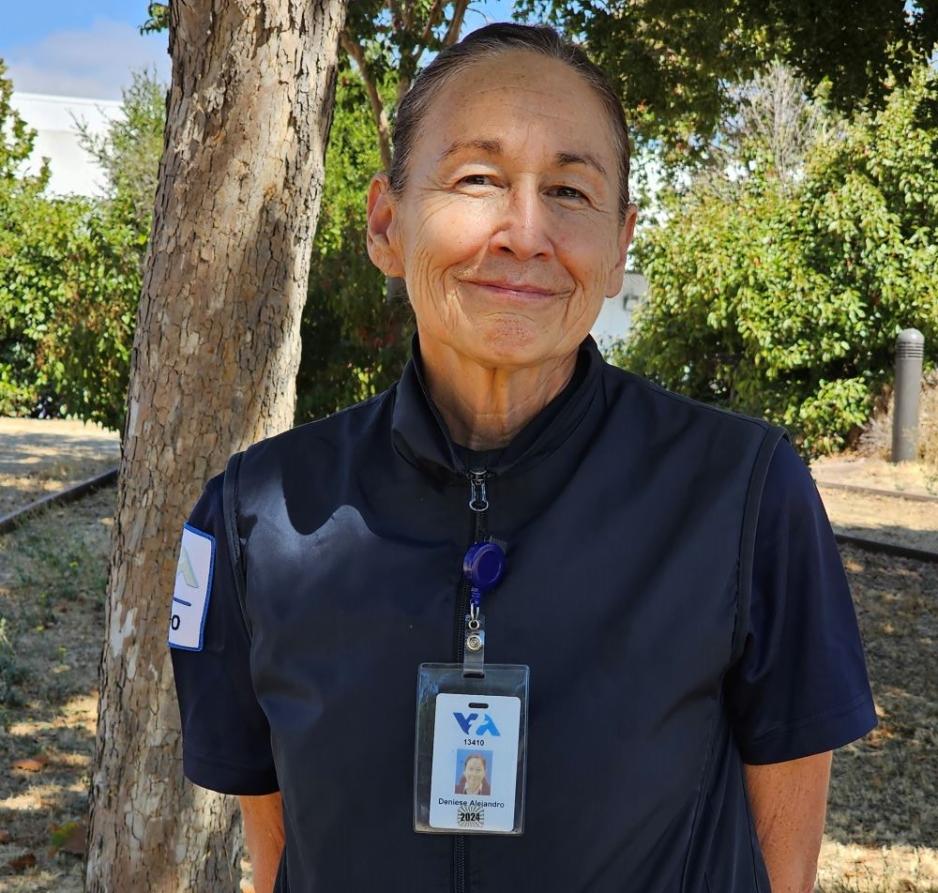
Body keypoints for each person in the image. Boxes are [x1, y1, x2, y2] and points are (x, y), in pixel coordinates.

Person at [169, 22, 877, 893]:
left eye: (572, 192)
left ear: (620, 245)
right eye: (478, 178)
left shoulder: (743, 494)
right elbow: (281, 848)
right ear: (386, 224)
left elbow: (784, 862)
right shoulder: (258, 517)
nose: (525, 232)